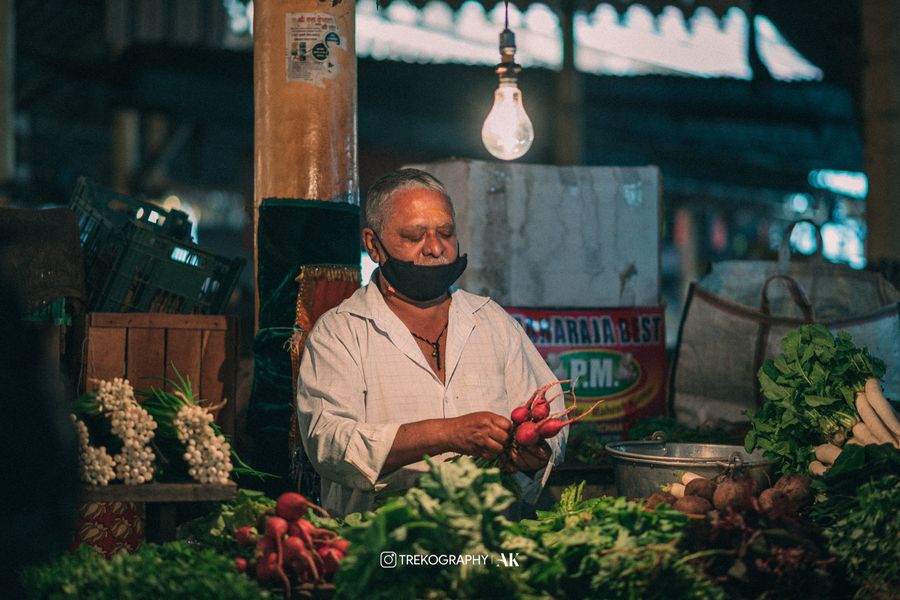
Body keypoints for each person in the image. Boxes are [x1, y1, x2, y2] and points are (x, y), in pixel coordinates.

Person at [295, 168, 566, 516]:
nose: (435, 248)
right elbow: (329, 443)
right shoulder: (341, 331)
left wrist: (535, 453)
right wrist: (445, 434)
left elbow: (549, 409)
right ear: (373, 245)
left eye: (446, 233)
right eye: (414, 236)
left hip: (494, 536)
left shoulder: (491, 321)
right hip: (383, 542)